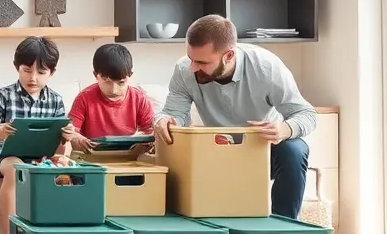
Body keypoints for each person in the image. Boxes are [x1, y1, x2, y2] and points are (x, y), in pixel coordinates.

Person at [153, 14, 316, 219]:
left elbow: (306, 114)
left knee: (295, 149)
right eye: (190, 58)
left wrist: (283, 129)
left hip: (261, 151)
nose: (193, 67)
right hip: (215, 151)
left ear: (229, 55)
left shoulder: (267, 68)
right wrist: (166, 121)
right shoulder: (184, 69)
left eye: (202, 62)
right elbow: (174, 114)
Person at [0, 36, 72, 234]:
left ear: (52, 72)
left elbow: (60, 145)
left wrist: (65, 148)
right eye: (27, 70)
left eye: (41, 72)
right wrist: (0, 130)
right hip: (5, 154)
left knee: (64, 173)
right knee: (16, 168)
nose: (33, 78)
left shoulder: (56, 100)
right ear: (17, 67)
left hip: (40, 155)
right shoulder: (5, 95)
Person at [67, 43, 155, 152]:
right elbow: (70, 132)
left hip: (128, 157)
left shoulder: (139, 98)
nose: (114, 90)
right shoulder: (84, 98)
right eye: (107, 81)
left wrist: (143, 144)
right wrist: (76, 139)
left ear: (130, 75)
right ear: (96, 75)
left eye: (121, 82)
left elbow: (150, 132)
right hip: (92, 156)